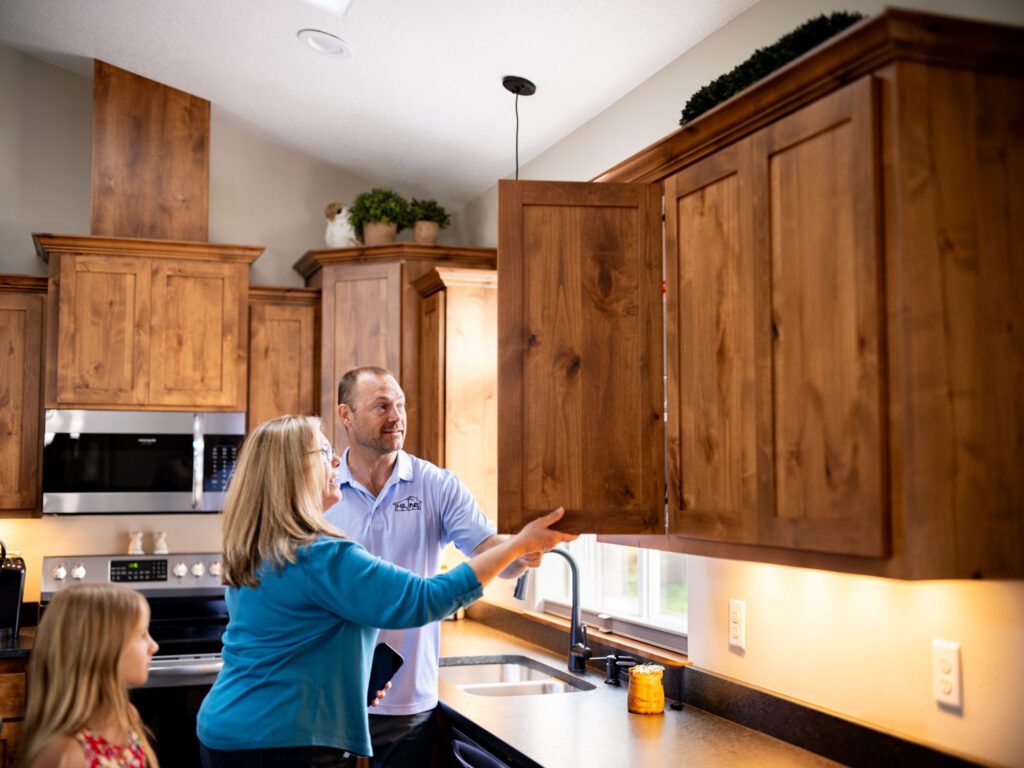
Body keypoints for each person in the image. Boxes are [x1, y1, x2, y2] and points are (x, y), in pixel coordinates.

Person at [196, 414, 573, 767]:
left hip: (232, 728)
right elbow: (426, 600)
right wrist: (519, 544)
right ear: (292, 471)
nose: (335, 465)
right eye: (324, 453)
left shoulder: (264, 545)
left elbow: (291, 645)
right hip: (281, 742)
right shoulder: (320, 555)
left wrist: (347, 682)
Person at [325, 366, 533, 767]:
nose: (397, 417)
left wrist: (522, 550)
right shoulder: (323, 488)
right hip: (332, 699)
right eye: (382, 406)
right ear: (345, 415)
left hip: (407, 702)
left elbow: (495, 557)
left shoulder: (436, 485)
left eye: (400, 405)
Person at [22, 583, 160, 768]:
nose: (154, 646)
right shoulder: (67, 755)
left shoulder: (127, 716)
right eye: (141, 635)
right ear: (102, 649)